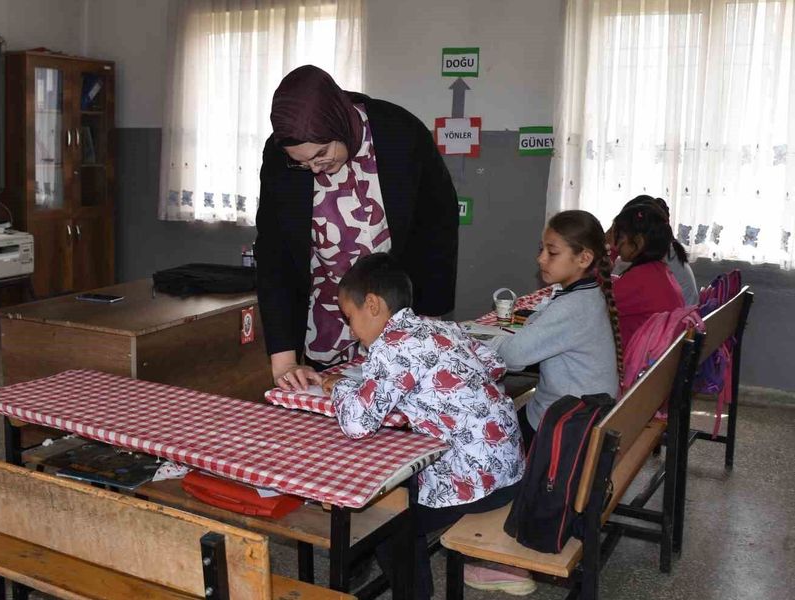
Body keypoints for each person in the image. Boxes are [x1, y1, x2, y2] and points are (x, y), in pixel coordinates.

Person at [319, 253, 529, 599]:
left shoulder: (393, 346)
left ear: (372, 305)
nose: (351, 329)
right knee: (399, 484)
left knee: (384, 517)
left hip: (473, 483)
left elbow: (357, 423)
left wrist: (340, 386)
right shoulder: (439, 326)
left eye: (349, 317)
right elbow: (494, 364)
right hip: (508, 468)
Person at [256, 65, 459, 392]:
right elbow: (274, 254)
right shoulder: (282, 155)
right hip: (323, 318)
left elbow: (437, 230)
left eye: (321, 154)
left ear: (339, 122)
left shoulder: (400, 133)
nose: (315, 168)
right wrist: (284, 361)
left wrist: (428, 327)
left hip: (395, 316)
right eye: (302, 163)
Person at [489, 210, 622, 450]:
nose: (540, 259)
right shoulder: (587, 294)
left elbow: (512, 356)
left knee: (482, 433)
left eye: (552, 252)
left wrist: (485, 342)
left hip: (566, 425)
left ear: (584, 258)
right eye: (542, 249)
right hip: (581, 413)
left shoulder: (573, 307)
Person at [610, 203, 686, 348]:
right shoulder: (660, 271)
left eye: (619, 237)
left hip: (633, 364)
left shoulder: (638, 279)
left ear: (638, 242)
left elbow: (594, 306)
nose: (615, 243)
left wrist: (609, 254)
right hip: (656, 362)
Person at [608, 195, 698, 305]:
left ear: (639, 241)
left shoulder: (640, 277)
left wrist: (610, 250)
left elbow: (598, 300)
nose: (616, 241)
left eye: (620, 235)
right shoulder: (661, 265)